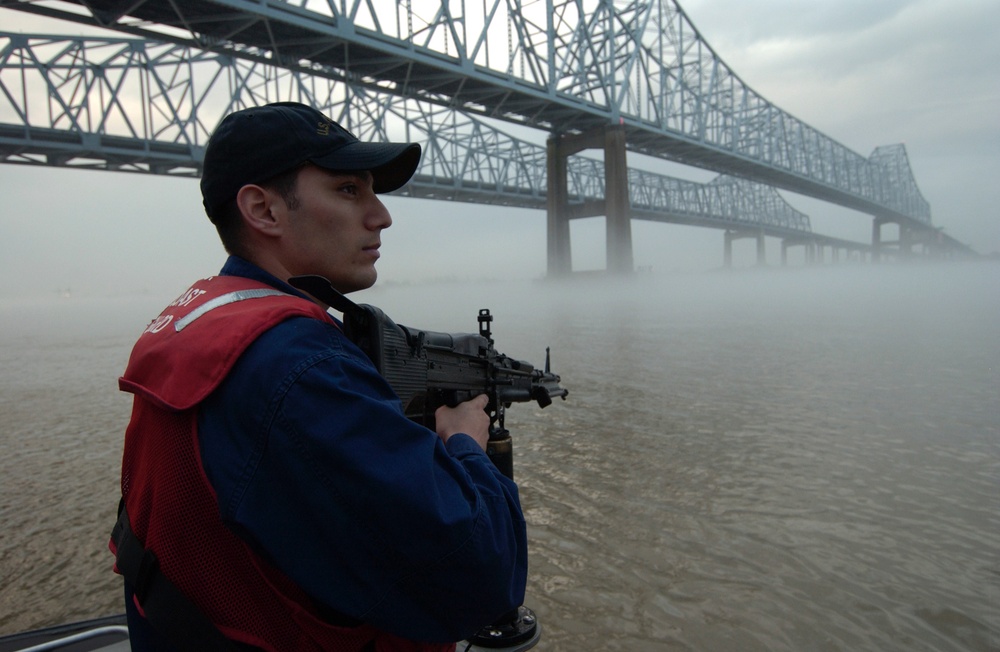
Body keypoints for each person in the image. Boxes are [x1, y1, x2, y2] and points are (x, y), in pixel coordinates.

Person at [110, 101, 528, 652]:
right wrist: (465, 445)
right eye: (349, 190)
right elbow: (487, 579)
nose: (382, 215)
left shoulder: (205, 320)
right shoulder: (300, 368)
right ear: (264, 210)